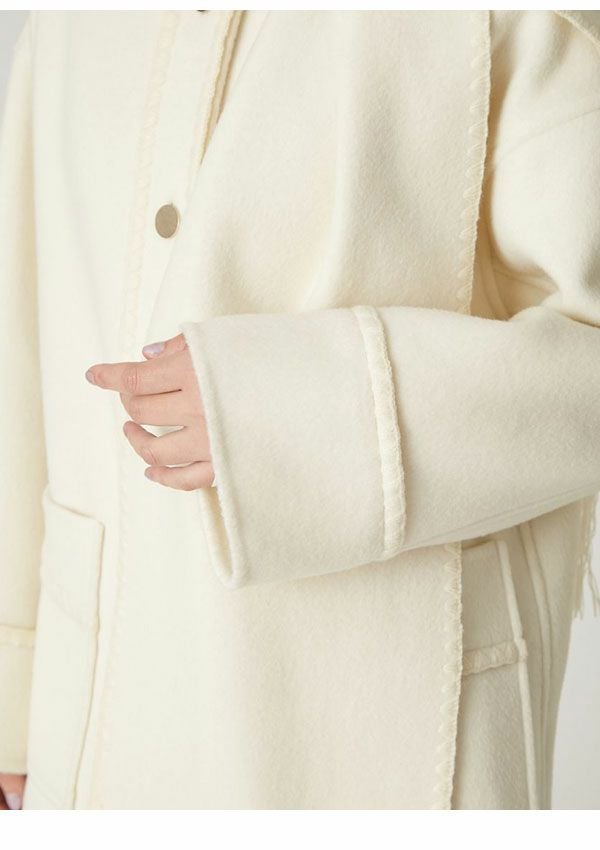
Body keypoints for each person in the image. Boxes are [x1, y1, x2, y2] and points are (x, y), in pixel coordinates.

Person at [1, 9, 599, 811]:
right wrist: (13, 687)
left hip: (389, 723)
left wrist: (295, 412)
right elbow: (25, 330)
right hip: (97, 716)